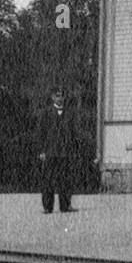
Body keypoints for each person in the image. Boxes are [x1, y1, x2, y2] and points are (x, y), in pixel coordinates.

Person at [38, 86, 85, 214]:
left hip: (65, 152)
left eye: (62, 96)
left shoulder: (70, 113)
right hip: (50, 152)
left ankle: (65, 205)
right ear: (53, 97)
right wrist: (42, 151)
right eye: (57, 95)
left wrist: (75, 149)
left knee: (65, 179)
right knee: (48, 180)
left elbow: (74, 133)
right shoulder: (46, 113)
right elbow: (41, 133)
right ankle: (48, 207)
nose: (60, 98)